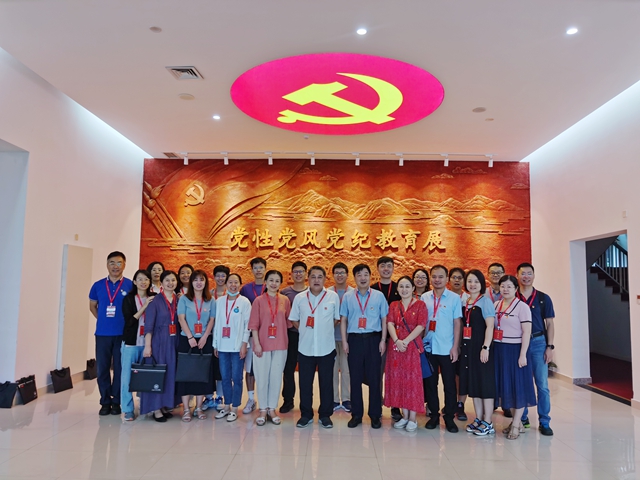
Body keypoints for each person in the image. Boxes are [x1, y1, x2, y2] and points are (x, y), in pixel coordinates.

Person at [289, 266, 340, 428]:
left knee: (326, 383)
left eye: (319, 277)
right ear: (308, 279)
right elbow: (294, 319)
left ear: (325, 279)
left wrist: (323, 331)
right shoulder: (300, 298)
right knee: (305, 383)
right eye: (313, 277)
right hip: (305, 348)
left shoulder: (332, 296)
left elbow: (336, 319)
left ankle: (325, 415)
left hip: (326, 348)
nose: (316, 280)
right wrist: (305, 331)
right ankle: (306, 414)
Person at [340, 264, 389, 429]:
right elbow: (343, 319)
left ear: (370, 276)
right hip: (354, 340)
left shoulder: (379, 296)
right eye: (359, 275)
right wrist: (345, 341)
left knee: (375, 379)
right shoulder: (348, 297)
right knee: (355, 378)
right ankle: (356, 415)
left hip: (373, 340)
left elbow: (384, 319)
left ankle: (375, 415)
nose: (363, 278)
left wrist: (383, 340)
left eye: (365, 274)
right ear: (354, 278)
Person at [89, 251, 133, 416]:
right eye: (112, 263)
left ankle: (116, 401)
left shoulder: (130, 285)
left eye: (119, 263)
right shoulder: (98, 285)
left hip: (122, 334)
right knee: (102, 368)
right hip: (102, 334)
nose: (116, 266)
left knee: (120, 369)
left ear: (124, 265)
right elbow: (93, 306)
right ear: (107, 265)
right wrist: (103, 320)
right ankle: (105, 401)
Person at [493, 275, 536, 440]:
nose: (505, 289)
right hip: (499, 350)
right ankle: (515, 422)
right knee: (506, 387)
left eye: (509, 286)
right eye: (503, 286)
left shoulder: (522, 307)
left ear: (516, 289)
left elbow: (526, 332)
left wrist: (523, 354)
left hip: (516, 350)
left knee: (518, 387)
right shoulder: (496, 305)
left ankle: (517, 424)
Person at [516, 262, 556, 436]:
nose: (526, 276)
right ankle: (523, 417)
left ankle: (544, 421)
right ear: (517, 276)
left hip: (538, 343)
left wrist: (550, 346)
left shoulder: (543, 298)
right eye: (523, 273)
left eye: (529, 273)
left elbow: (550, 324)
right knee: (521, 382)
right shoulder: (512, 296)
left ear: (533, 276)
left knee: (542, 385)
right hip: (517, 343)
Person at [422, 265, 462, 433]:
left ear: (447, 279)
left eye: (440, 277)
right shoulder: (424, 297)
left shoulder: (454, 298)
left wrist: (455, 347)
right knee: (430, 383)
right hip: (428, 347)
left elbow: (457, 323)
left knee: (449, 384)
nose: (437, 280)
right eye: (434, 276)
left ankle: (449, 417)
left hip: (447, 348)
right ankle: (433, 415)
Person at [248, 270, 291, 425]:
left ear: (280, 284)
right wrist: (257, 344)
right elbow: (254, 325)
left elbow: (289, 322)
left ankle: (272, 408)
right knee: (262, 377)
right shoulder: (258, 301)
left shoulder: (285, 300)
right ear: (265, 282)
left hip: (280, 344)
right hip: (262, 345)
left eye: (277, 281)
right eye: (271, 280)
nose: (274, 283)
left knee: (276, 378)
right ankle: (262, 409)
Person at [385, 276, 427, 432]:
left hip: (412, 347)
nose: (404, 289)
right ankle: (404, 415)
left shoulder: (420, 305)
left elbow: (421, 325)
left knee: (412, 381)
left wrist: (406, 341)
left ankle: (413, 418)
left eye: (407, 286)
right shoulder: (394, 305)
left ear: (413, 288)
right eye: (401, 286)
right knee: (399, 379)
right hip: (396, 347)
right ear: (397, 289)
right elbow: (390, 323)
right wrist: (397, 341)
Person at [458, 270, 496, 436]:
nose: (472, 284)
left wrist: (486, 347)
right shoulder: (466, 301)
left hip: (481, 348)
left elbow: (490, 326)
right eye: (469, 281)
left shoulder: (485, 301)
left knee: (485, 384)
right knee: (474, 383)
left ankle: (488, 421)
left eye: (476, 281)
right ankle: (479, 418)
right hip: (468, 348)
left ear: (481, 284)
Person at [176, 269, 216, 422]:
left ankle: (198, 407)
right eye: (195, 280)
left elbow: (212, 320)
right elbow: (181, 319)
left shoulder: (210, 300)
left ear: (206, 282)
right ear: (191, 282)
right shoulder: (184, 299)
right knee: (185, 375)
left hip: (204, 341)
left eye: (202, 279)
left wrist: (205, 336)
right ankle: (186, 409)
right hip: (187, 340)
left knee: (202, 375)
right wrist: (190, 337)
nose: (199, 283)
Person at [140, 270, 180, 422]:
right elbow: (148, 325)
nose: (170, 283)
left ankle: (164, 405)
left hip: (174, 342)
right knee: (158, 375)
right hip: (159, 343)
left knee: (170, 374)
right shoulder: (155, 301)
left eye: (173, 280)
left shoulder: (179, 300)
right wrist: (147, 346)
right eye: (167, 280)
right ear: (161, 283)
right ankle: (156, 409)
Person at [213, 273, 251, 422]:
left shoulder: (244, 302)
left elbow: (247, 325)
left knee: (237, 378)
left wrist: (244, 344)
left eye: (236, 282)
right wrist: (216, 344)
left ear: (240, 284)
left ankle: (235, 407)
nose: (233, 285)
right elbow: (216, 324)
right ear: (226, 284)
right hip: (222, 346)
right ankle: (227, 405)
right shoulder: (219, 301)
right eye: (230, 282)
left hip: (237, 347)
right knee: (225, 377)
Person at [121, 269, 155, 421]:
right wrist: (144, 306)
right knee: (127, 378)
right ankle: (128, 409)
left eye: (146, 279)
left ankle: (147, 406)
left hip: (149, 343)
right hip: (131, 343)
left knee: (147, 377)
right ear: (134, 282)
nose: (143, 282)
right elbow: (129, 322)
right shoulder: (128, 299)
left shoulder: (154, 297)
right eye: (140, 279)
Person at [371, 256, 402, 421]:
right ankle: (376, 406)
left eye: (389, 266)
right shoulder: (372, 289)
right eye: (382, 266)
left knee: (395, 374)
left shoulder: (400, 288)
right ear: (378, 269)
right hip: (378, 338)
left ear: (393, 268)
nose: (386, 269)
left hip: (397, 338)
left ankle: (395, 407)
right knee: (377, 373)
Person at [279, 261, 308, 414]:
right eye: (295, 271)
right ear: (291, 274)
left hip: (307, 336)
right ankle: (288, 401)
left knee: (306, 370)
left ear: (306, 274)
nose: (298, 274)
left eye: (301, 271)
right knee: (288, 369)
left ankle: (306, 402)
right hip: (290, 335)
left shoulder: (311, 291)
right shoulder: (284, 293)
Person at [239, 257, 266, 414]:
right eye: (255, 268)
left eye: (261, 267)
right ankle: (250, 399)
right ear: (252, 270)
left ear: (265, 269)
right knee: (250, 368)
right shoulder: (246, 289)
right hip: (250, 334)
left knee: (265, 369)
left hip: (268, 335)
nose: (258, 270)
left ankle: (265, 400)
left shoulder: (271, 286)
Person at [203, 264, 230, 412]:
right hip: (208, 336)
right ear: (213, 277)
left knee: (221, 369)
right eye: (218, 275)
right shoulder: (208, 295)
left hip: (225, 338)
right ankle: (208, 397)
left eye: (223, 275)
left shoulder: (230, 296)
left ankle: (220, 396)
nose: (220, 278)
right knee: (208, 368)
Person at [329, 262, 353, 413]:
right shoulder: (327, 292)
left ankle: (346, 398)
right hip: (330, 338)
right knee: (332, 370)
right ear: (333, 275)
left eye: (342, 272)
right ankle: (333, 399)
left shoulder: (353, 292)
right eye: (337, 273)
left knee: (346, 369)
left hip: (347, 339)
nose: (339, 275)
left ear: (347, 275)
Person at [449, 266, 470, 420]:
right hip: (446, 340)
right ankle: (450, 403)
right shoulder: (445, 297)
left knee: (462, 374)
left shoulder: (468, 299)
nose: (457, 280)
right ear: (449, 280)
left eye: (460, 278)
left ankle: (460, 404)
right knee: (449, 375)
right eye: (454, 277)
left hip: (465, 342)